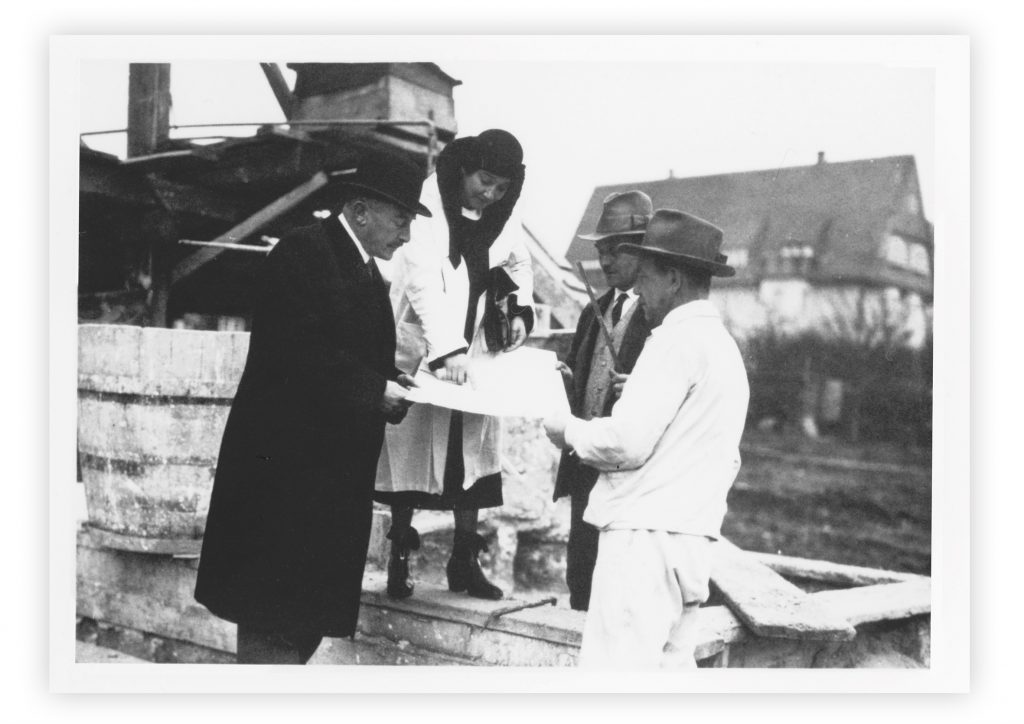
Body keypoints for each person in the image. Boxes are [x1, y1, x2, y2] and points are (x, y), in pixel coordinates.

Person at [194, 150, 430, 664]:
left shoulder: (361, 266)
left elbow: (339, 349)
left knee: (300, 620)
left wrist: (388, 379)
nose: (406, 235)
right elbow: (294, 351)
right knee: (272, 621)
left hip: (321, 484)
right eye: (401, 219)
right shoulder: (304, 251)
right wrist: (373, 391)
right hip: (283, 480)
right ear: (361, 211)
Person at [543, 209, 750, 668]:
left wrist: (566, 429)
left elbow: (626, 444)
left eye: (648, 277)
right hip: (690, 544)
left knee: (614, 682)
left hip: (643, 546)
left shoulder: (672, 342)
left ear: (674, 279)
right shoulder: (722, 348)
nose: (638, 290)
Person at [374, 129, 534, 601]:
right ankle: (399, 556)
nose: (490, 194)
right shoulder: (428, 203)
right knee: (409, 454)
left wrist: (521, 310)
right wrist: (447, 349)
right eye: (484, 181)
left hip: (477, 352)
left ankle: (464, 561)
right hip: (425, 347)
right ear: (465, 169)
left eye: (502, 187)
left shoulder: (503, 215)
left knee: (473, 459)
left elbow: (519, 264)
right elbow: (421, 278)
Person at [552, 190, 654, 611]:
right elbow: (581, 379)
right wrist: (566, 382)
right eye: (601, 251)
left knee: (619, 581)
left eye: (616, 250)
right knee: (581, 569)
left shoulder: (658, 315)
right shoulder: (592, 311)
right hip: (584, 465)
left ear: (645, 250)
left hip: (627, 474)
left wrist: (642, 386)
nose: (606, 261)